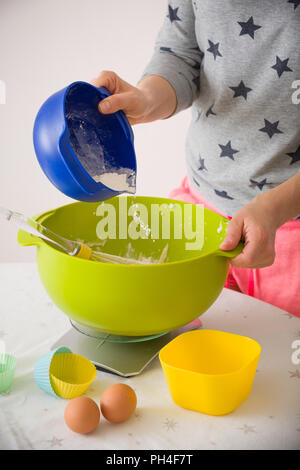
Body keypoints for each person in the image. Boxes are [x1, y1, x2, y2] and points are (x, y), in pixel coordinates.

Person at [91, 1, 300, 317]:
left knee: (285, 358)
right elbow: (181, 55)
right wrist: (146, 98)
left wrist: (274, 208)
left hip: (291, 234)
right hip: (201, 208)